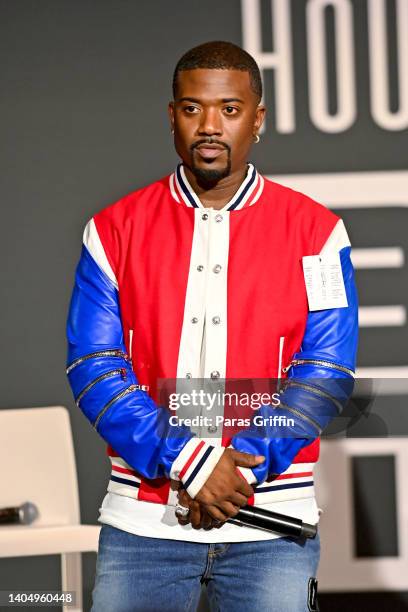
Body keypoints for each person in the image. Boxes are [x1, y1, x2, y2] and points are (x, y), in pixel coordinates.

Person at [66, 41, 358, 611]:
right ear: (171, 116)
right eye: (193, 108)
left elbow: (325, 372)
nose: (210, 125)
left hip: (271, 523)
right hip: (144, 520)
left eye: (229, 108)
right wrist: (188, 462)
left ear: (258, 119)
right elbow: (95, 367)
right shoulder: (112, 230)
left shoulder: (317, 233)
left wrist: (238, 472)